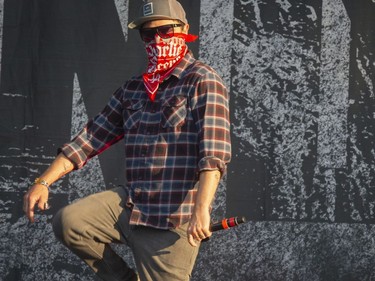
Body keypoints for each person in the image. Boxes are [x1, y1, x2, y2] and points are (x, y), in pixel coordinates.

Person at [23, 0, 231, 280]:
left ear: (184, 29)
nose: (158, 40)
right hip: (133, 205)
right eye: (148, 34)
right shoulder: (134, 89)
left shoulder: (202, 80)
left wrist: (201, 210)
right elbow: (90, 138)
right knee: (71, 222)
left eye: (166, 31)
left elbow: (214, 154)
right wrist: (43, 182)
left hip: (172, 218)